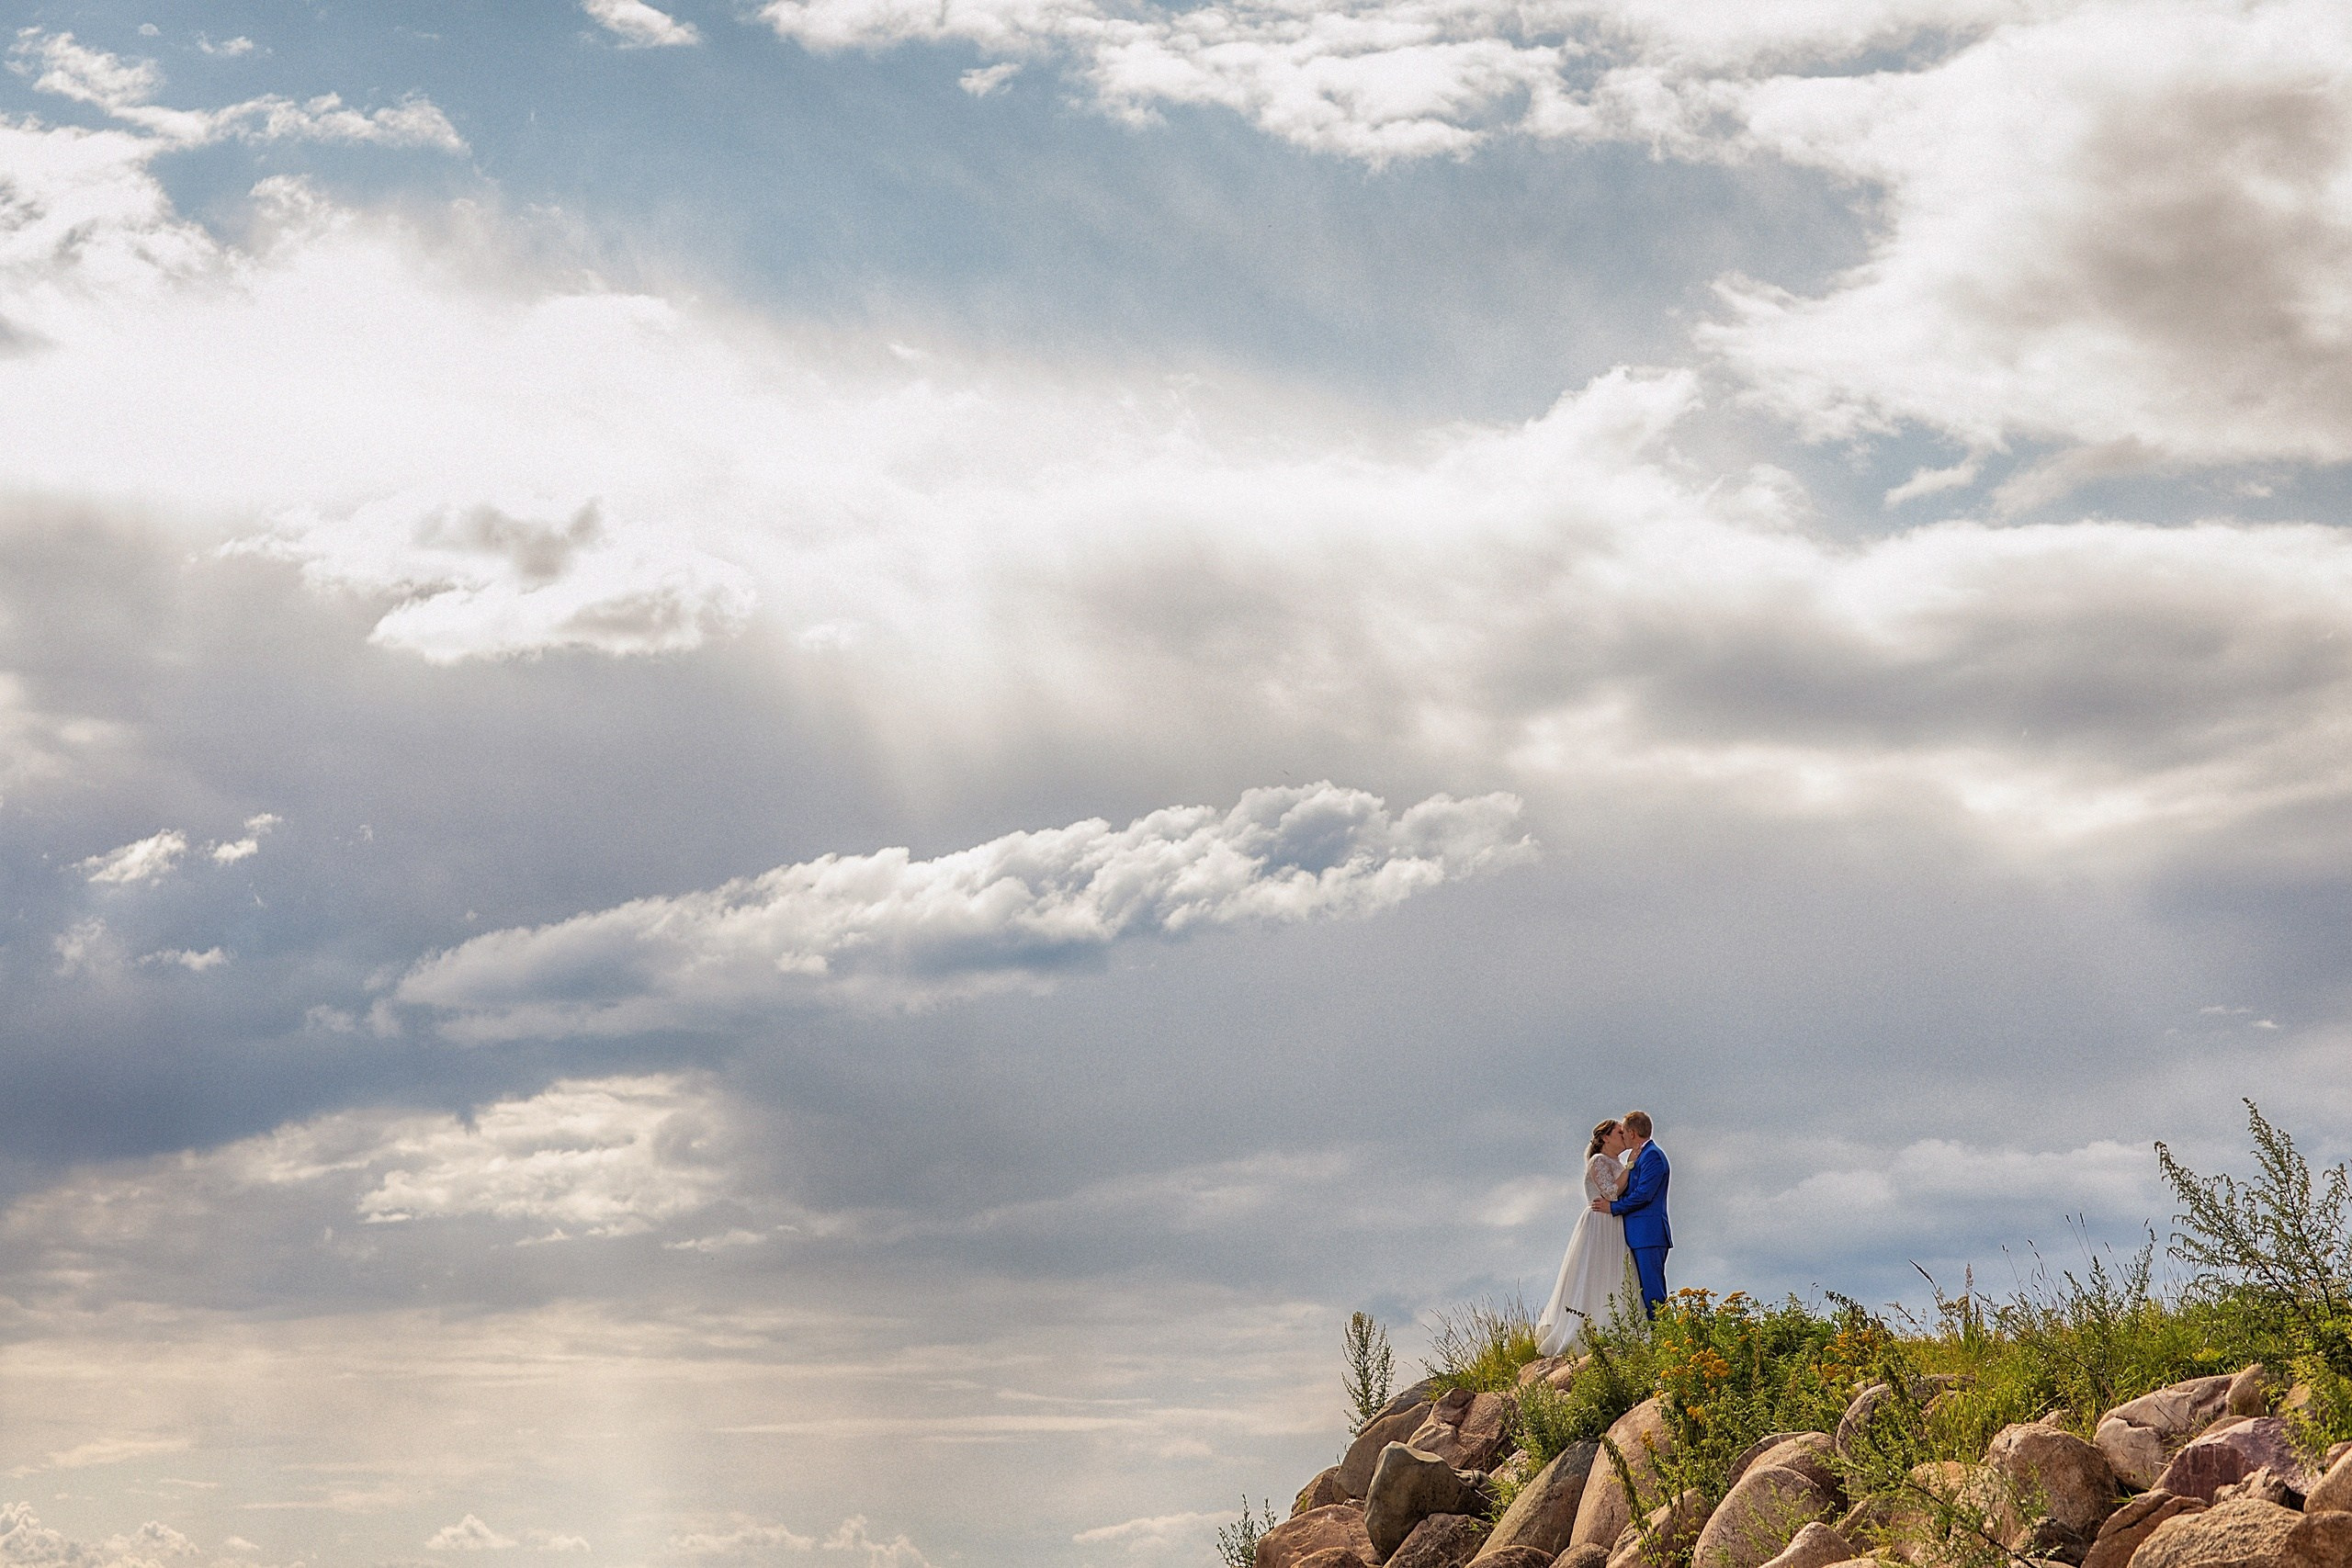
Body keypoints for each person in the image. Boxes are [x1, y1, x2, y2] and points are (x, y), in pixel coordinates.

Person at [1534, 1119, 1637, 1355]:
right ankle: (1588, 1330)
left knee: (1616, 1273)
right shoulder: (1598, 1160)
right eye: (1619, 1132)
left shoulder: (1616, 1162)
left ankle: (1615, 1326)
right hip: (1599, 1225)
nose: (1624, 1136)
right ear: (1605, 1138)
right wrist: (1630, 1167)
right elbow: (1610, 1192)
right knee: (1594, 1274)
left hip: (1614, 1223)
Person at [1590, 1109, 1670, 1316]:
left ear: (1633, 1134)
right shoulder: (1641, 1156)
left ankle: (1662, 1335)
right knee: (1641, 1289)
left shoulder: (1652, 1156)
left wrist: (1613, 1207)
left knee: (1653, 1291)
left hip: (1648, 1234)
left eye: (1624, 1132)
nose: (1623, 1137)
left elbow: (1644, 1194)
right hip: (1638, 1234)